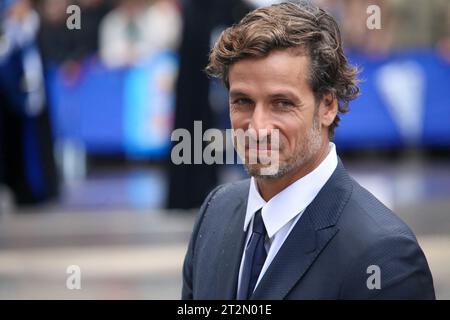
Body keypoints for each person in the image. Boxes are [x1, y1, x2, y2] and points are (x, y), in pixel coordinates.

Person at [181, 2, 435, 299]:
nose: (258, 127)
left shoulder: (385, 255)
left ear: (328, 105)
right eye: (243, 102)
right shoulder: (216, 211)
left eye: (282, 103)